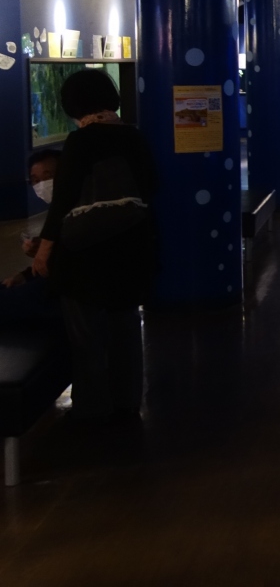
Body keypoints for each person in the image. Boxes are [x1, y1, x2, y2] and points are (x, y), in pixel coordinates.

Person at [32, 69, 158, 421]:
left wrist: (44, 250)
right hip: (131, 248)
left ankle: (92, 409)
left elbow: (63, 202)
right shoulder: (133, 136)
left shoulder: (80, 142)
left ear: (73, 104)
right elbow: (152, 186)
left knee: (86, 334)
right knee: (126, 326)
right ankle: (127, 402)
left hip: (85, 255)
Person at [0, 149, 62, 326]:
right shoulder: (55, 213)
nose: (42, 185)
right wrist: (25, 275)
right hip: (47, 282)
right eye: (36, 180)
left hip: (60, 293)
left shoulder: (77, 213)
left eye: (48, 176)